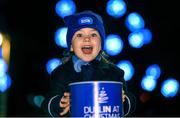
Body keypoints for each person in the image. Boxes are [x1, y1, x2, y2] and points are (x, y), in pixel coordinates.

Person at [41, 10, 136, 117]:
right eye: (79, 35)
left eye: (94, 34)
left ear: (101, 46)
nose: (87, 38)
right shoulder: (60, 73)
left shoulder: (115, 73)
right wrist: (59, 103)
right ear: (71, 46)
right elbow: (48, 102)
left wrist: (124, 100)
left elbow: (131, 102)